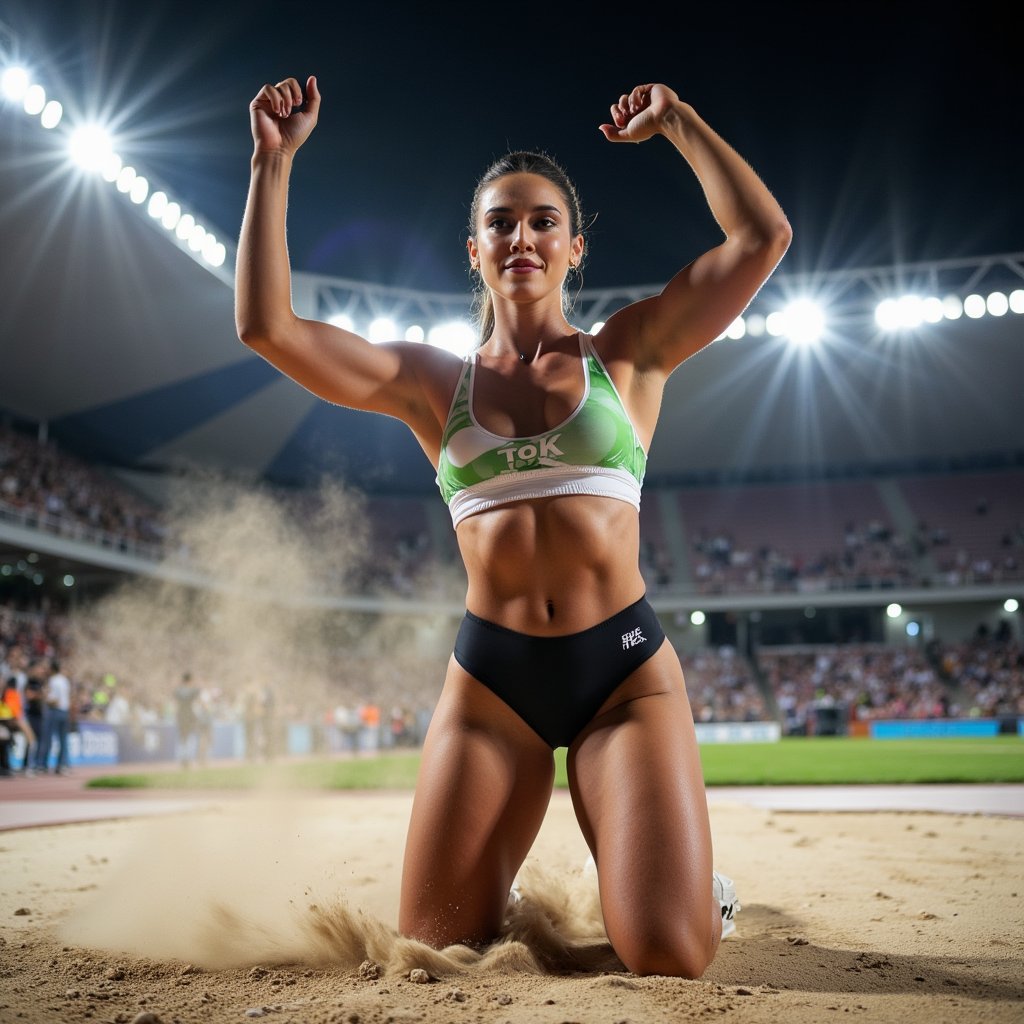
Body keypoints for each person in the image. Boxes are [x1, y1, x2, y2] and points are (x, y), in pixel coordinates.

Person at [237, 76, 790, 977]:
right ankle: (590, 877)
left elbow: (763, 239)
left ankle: (696, 894)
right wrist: (272, 162)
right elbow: (267, 327)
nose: (521, 236)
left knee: (669, 954)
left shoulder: (631, 353)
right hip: (493, 687)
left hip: (624, 681)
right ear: (474, 251)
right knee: (434, 950)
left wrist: (681, 124)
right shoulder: (429, 384)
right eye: (500, 222)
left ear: (574, 246)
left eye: (541, 221)